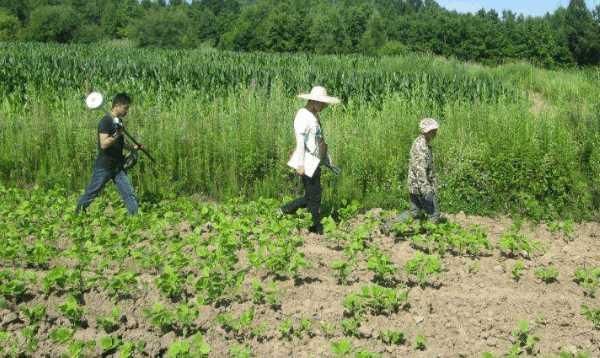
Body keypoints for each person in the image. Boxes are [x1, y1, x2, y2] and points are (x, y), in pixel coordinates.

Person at [280, 86, 341, 234]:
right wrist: (300, 164)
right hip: (306, 162)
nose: (324, 107)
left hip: (315, 162)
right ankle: (317, 228)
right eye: (322, 104)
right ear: (313, 101)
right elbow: (300, 142)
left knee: (311, 196)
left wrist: (328, 163)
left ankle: (284, 210)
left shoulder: (314, 116)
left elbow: (319, 142)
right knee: (315, 197)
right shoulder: (302, 116)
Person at [76, 93, 141, 215]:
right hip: (104, 166)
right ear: (117, 105)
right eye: (125, 108)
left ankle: (135, 218)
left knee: (128, 193)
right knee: (92, 192)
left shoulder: (118, 122)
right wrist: (117, 134)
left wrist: (133, 147)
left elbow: (121, 143)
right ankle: (78, 214)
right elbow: (104, 144)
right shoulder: (105, 121)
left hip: (117, 167)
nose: (127, 111)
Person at [398, 118, 442, 223]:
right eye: (433, 131)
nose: (435, 132)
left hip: (414, 185)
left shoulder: (420, 142)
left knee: (415, 213)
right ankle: (432, 237)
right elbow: (420, 170)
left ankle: (390, 225)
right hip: (421, 186)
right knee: (434, 215)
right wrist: (426, 191)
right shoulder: (421, 147)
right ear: (426, 132)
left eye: (435, 130)